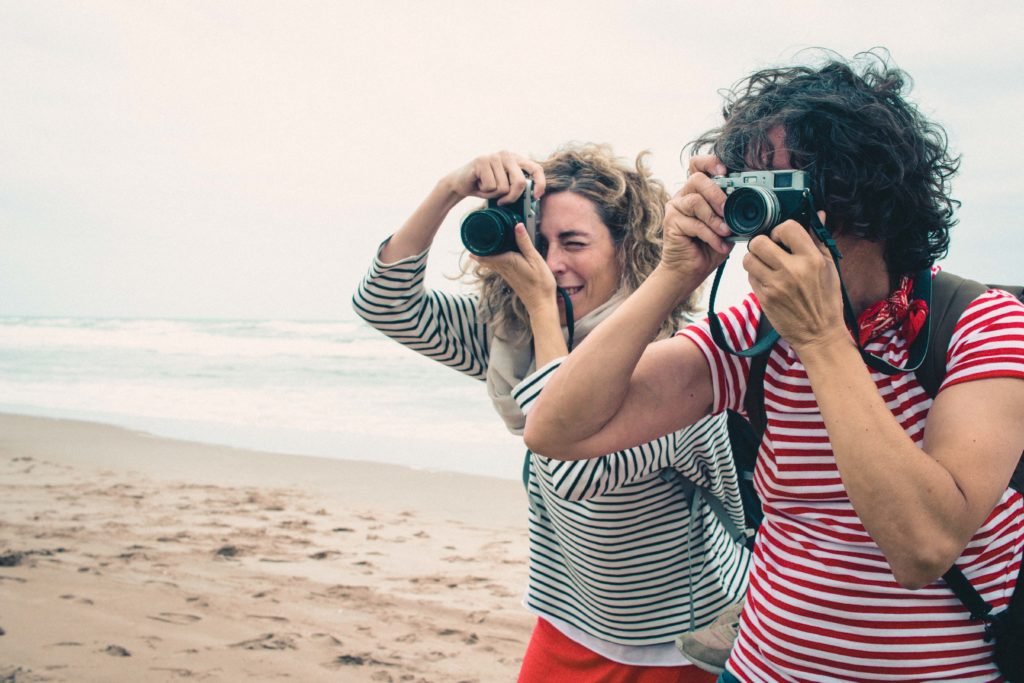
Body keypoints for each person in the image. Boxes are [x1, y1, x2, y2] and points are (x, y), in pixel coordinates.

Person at [523, 51, 1024, 681]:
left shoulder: (981, 323)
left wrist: (821, 338)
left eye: (781, 183)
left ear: (865, 192)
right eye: (746, 186)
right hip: (761, 666)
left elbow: (923, 546)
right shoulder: (757, 334)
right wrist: (676, 272)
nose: (760, 209)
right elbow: (558, 429)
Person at [352, 143, 751, 682]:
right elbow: (384, 303)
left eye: (573, 243)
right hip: (569, 617)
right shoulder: (508, 338)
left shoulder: (670, 363)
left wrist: (542, 306)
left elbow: (570, 465)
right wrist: (451, 189)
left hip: (674, 638)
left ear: (628, 248)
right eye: (537, 242)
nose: (551, 263)